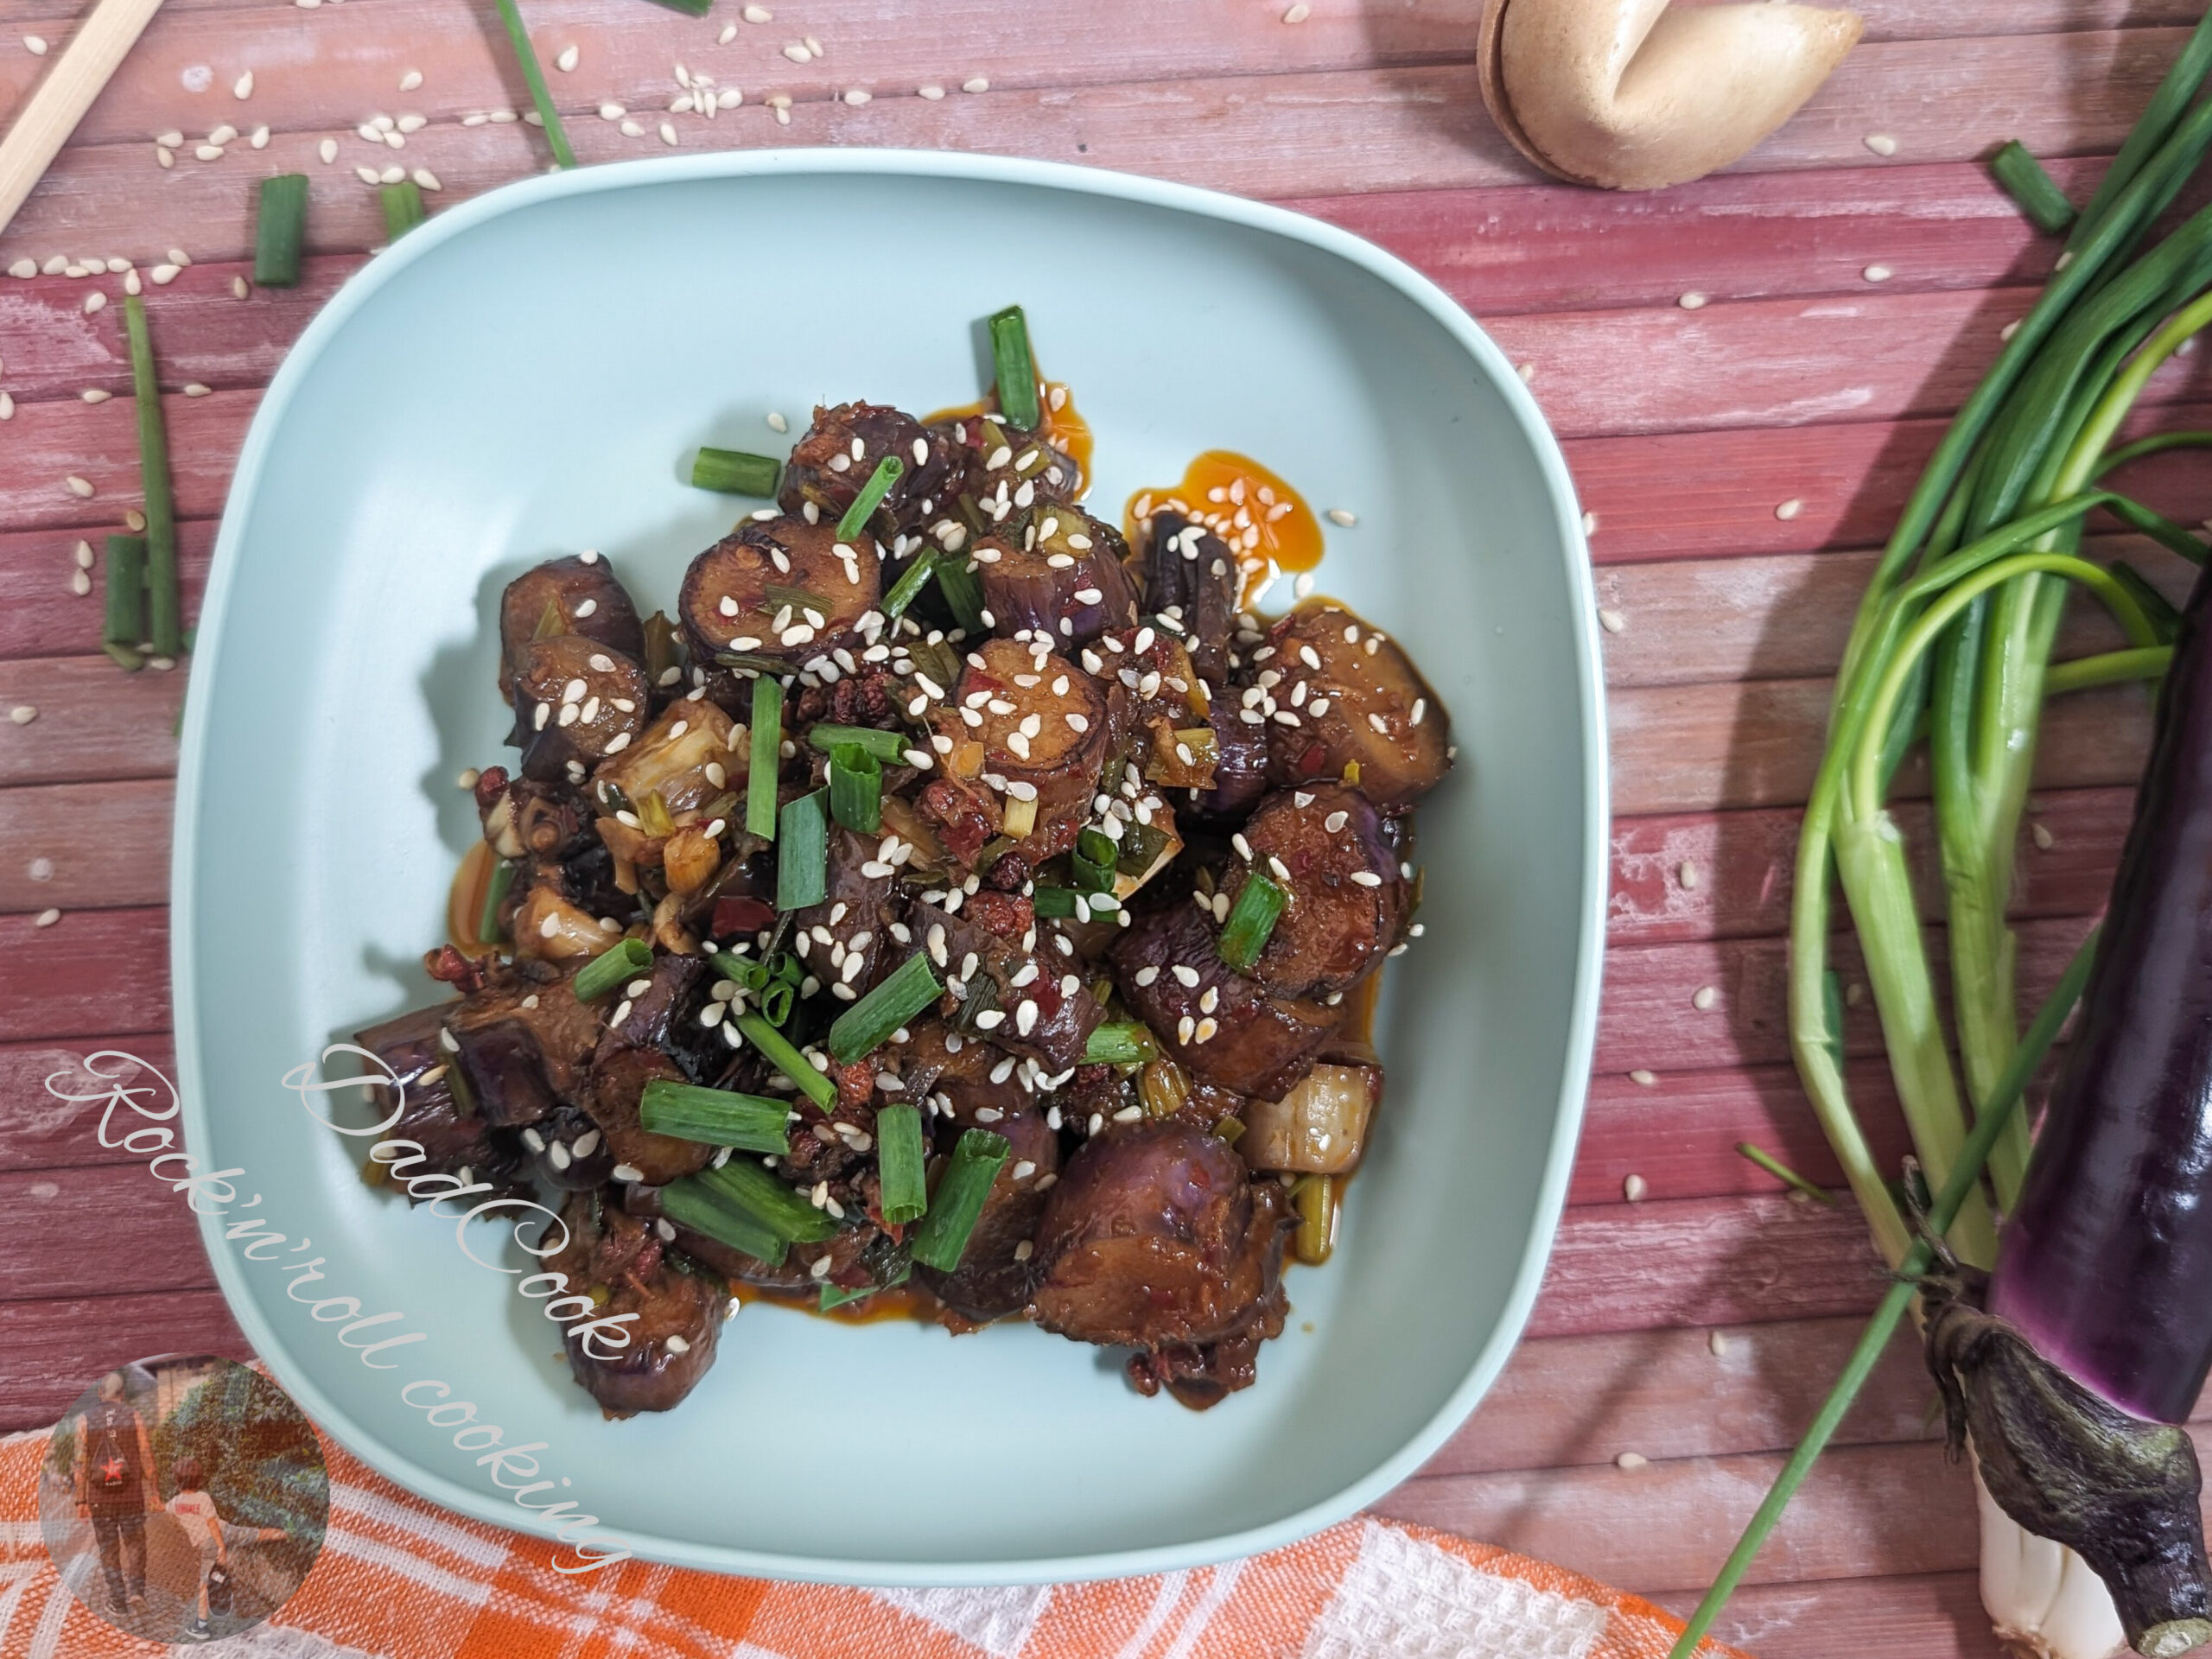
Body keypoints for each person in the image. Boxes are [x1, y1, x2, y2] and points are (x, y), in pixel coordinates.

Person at [164, 1455, 284, 1643]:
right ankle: (288, 1535)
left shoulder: (174, 1503)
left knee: (204, 1585)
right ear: (200, 1480)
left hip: (211, 1544)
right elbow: (213, 1523)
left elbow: (201, 1523)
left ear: (177, 1480)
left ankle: (201, 1627)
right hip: (226, 1531)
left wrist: (221, 1549)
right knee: (258, 1534)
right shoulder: (203, 1497)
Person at [72, 1372, 156, 1616]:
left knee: (108, 1549)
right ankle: (137, 1592)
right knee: (136, 1545)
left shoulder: (85, 1420)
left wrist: (80, 1500)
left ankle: (118, 1602)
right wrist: (156, 1493)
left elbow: (80, 1464)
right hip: (132, 1497)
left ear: (100, 1394)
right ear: (123, 1394)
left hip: (100, 1501)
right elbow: (147, 1455)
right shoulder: (135, 1416)